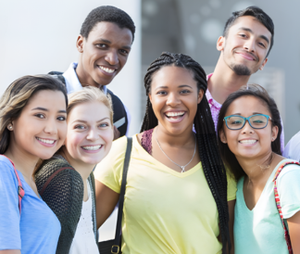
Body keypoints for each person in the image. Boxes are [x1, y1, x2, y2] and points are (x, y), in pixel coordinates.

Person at [94, 52, 236, 254]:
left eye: (184, 91)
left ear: (200, 95)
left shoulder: (220, 160)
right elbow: (83, 231)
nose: (173, 101)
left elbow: (229, 244)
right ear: (150, 97)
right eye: (162, 92)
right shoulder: (123, 153)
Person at [217, 84, 300, 254]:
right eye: (235, 122)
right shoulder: (237, 185)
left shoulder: (288, 178)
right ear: (223, 135)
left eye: (258, 121)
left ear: (274, 132)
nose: (247, 129)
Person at [35, 87, 114, 254]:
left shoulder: (86, 176)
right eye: (80, 127)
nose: (93, 135)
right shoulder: (65, 179)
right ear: (62, 133)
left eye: (103, 125)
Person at [0, 75, 68, 254]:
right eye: (40, 115)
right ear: (12, 120)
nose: (52, 129)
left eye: (61, 118)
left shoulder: (31, 180)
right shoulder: (2, 169)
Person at [50, 5, 135, 139]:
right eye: (102, 46)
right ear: (80, 43)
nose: (113, 60)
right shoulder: (42, 95)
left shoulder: (120, 115)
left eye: (123, 51)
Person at [206, 6, 284, 151]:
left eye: (261, 44)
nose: (250, 46)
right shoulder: (186, 98)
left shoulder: (267, 115)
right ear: (221, 43)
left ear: (263, 63)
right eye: (243, 35)